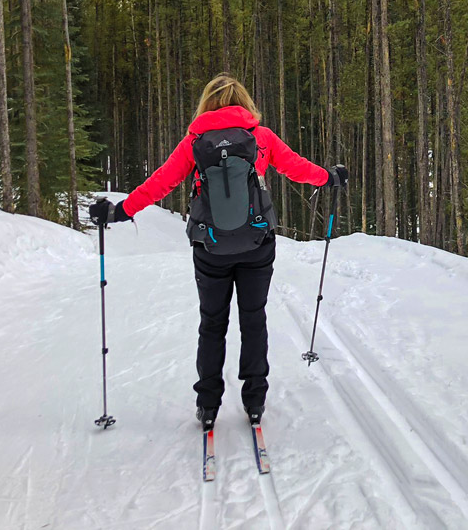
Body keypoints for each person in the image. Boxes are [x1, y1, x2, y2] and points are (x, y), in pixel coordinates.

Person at [89, 73, 348, 429]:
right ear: (244, 102)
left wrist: (121, 211)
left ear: (207, 104)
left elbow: (161, 181)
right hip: (257, 243)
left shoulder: (195, 142)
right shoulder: (261, 137)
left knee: (212, 323)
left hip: (210, 247)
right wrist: (329, 177)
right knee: (254, 318)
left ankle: (208, 405)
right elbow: (296, 168)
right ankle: (254, 399)